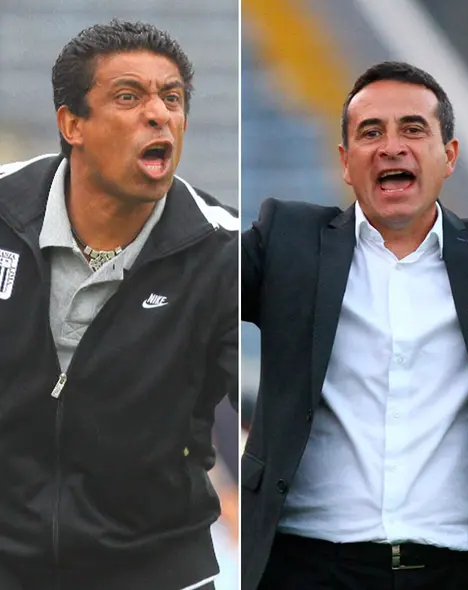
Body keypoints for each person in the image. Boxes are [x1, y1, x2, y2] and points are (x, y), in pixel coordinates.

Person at [240, 61, 468, 590]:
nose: (392, 146)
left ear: (450, 156)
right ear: (347, 163)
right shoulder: (287, 240)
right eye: (371, 133)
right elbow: (192, 275)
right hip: (309, 568)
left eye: (413, 129)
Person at [0, 20, 238, 590]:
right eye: (129, 97)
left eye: (172, 98)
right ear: (72, 124)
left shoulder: (225, 255)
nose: (159, 114)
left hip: (155, 568)